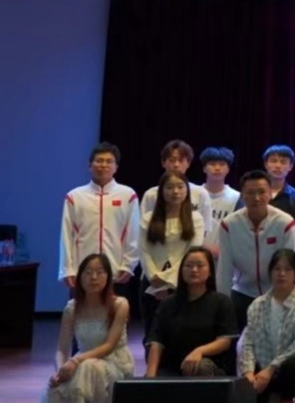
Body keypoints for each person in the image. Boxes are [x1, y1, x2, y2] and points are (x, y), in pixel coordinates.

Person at [43, 254, 134, 403]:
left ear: (108, 277)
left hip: (113, 362)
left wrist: (76, 360)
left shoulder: (120, 305)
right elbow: (62, 349)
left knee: (89, 368)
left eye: (100, 272)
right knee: (58, 387)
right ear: (80, 277)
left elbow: (109, 346)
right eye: (88, 272)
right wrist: (60, 371)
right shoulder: (71, 309)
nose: (94, 277)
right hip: (82, 362)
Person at [219, 170, 295, 329]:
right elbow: (224, 268)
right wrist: (223, 305)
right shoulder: (229, 224)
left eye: (262, 192)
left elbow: (292, 264)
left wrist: (289, 298)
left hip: (277, 292)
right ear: (242, 195)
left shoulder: (285, 222)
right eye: (250, 192)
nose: (256, 198)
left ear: (270, 193)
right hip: (242, 293)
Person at [59, 143, 140, 296]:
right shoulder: (74, 196)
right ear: (90, 165)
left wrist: (129, 265)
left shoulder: (128, 195)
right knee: (80, 311)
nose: (103, 165)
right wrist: (66, 269)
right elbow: (66, 235)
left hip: (116, 271)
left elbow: (134, 234)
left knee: (116, 311)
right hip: (82, 272)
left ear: (116, 167)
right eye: (99, 161)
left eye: (109, 161)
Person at [238, 249, 295, 403]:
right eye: (277, 269)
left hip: (292, 370)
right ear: (270, 273)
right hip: (262, 369)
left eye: (287, 269)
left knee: (293, 367)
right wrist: (248, 372)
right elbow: (248, 342)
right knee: (247, 379)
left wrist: (271, 368)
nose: (282, 274)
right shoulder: (257, 304)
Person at [145, 247, 237, 377]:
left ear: (210, 271)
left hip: (207, 366)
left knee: (200, 367)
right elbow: (157, 342)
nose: (194, 270)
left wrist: (199, 351)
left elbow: (225, 341)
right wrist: (150, 377)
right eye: (188, 266)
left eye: (200, 265)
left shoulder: (222, 302)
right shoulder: (168, 304)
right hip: (172, 368)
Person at [140, 171, 205, 343]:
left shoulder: (195, 218)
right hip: (151, 283)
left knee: (181, 336)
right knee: (152, 335)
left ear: (187, 190)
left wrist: (167, 282)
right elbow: (144, 251)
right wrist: (155, 280)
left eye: (180, 187)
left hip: (184, 283)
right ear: (161, 191)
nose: (175, 192)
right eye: (169, 187)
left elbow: (192, 253)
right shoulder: (148, 218)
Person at [141, 140, 214, 243]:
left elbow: (204, 230)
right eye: (172, 160)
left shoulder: (201, 193)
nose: (176, 165)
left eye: (181, 160)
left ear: (188, 163)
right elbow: (144, 227)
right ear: (163, 163)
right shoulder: (151, 194)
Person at [261, 144, 295, 250]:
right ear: (266, 164)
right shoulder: (255, 195)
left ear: (290, 166)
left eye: (283, 162)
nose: (278, 166)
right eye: (273, 161)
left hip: (286, 254)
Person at [199, 147, 238, 260]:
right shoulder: (194, 194)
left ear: (228, 169)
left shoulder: (237, 197)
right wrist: (206, 247)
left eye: (222, 164)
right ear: (204, 168)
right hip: (196, 255)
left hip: (224, 257)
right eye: (212, 164)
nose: (217, 168)